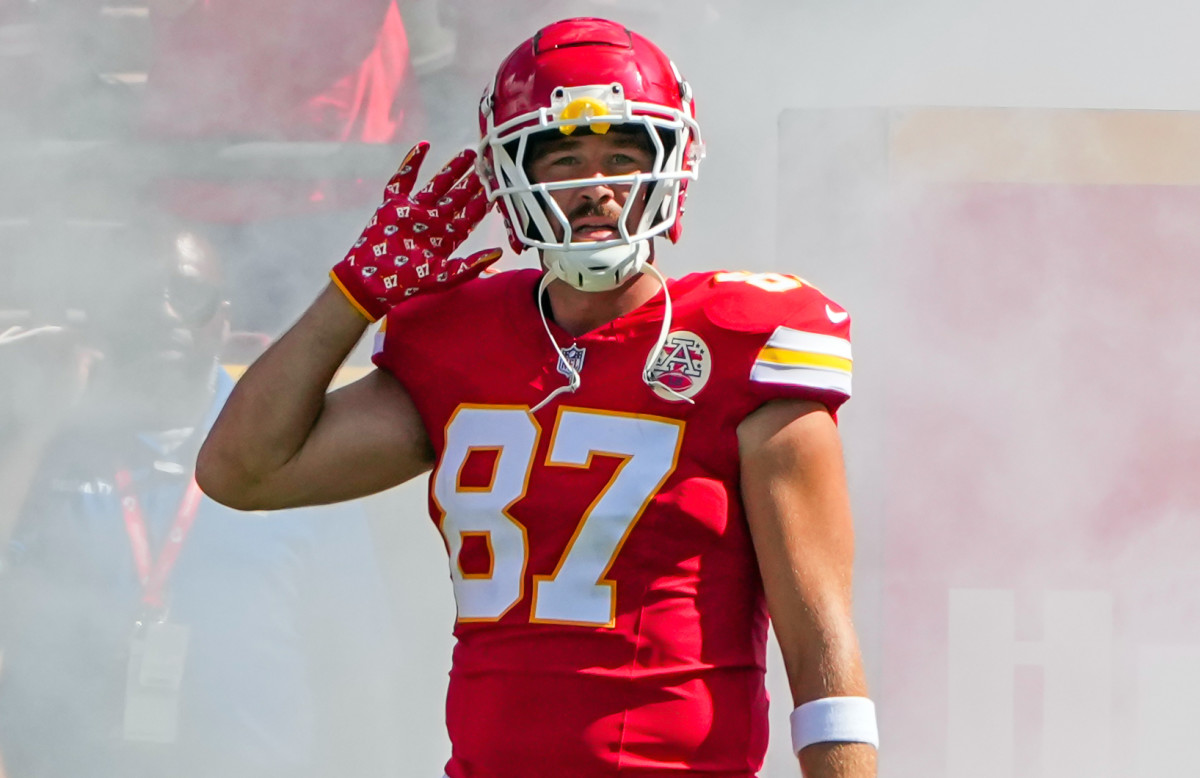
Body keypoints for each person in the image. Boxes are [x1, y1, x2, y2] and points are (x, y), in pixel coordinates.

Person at [197, 16, 878, 778]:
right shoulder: (461, 343)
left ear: (672, 164)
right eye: (566, 160)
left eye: (623, 157)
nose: (598, 187)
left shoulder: (742, 341)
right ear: (513, 175)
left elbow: (820, 640)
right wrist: (350, 299)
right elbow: (242, 472)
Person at [0, 222, 402, 778]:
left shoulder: (292, 450)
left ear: (225, 320)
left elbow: (357, 663)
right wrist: (38, 425)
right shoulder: (49, 448)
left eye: (187, 294)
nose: (165, 314)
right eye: (139, 298)